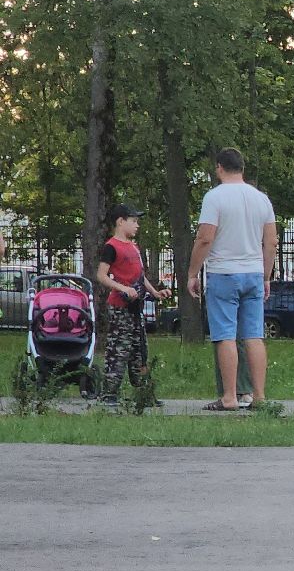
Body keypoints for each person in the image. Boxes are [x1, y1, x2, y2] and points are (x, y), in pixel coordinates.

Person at [186, 147, 277, 412]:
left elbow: (205, 238)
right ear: (243, 168)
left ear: (219, 168)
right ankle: (259, 397)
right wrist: (266, 275)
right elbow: (270, 241)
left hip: (224, 273)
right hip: (254, 273)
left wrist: (193, 273)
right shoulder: (261, 199)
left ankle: (229, 397)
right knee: (253, 335)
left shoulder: (215, 198)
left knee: (225, 334)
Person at [92, 203, 171, 406]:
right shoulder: (112, 246)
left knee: (139, 349)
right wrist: (122, 288)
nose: (137, 225)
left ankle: (143, 393)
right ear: (120, 222)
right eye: (133, 221)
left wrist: (154, 292)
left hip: (136, 308)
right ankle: (110, 393)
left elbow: (140, 276)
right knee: (119, 348)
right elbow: (101, 276)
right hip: (120, 307)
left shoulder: (133, 247)